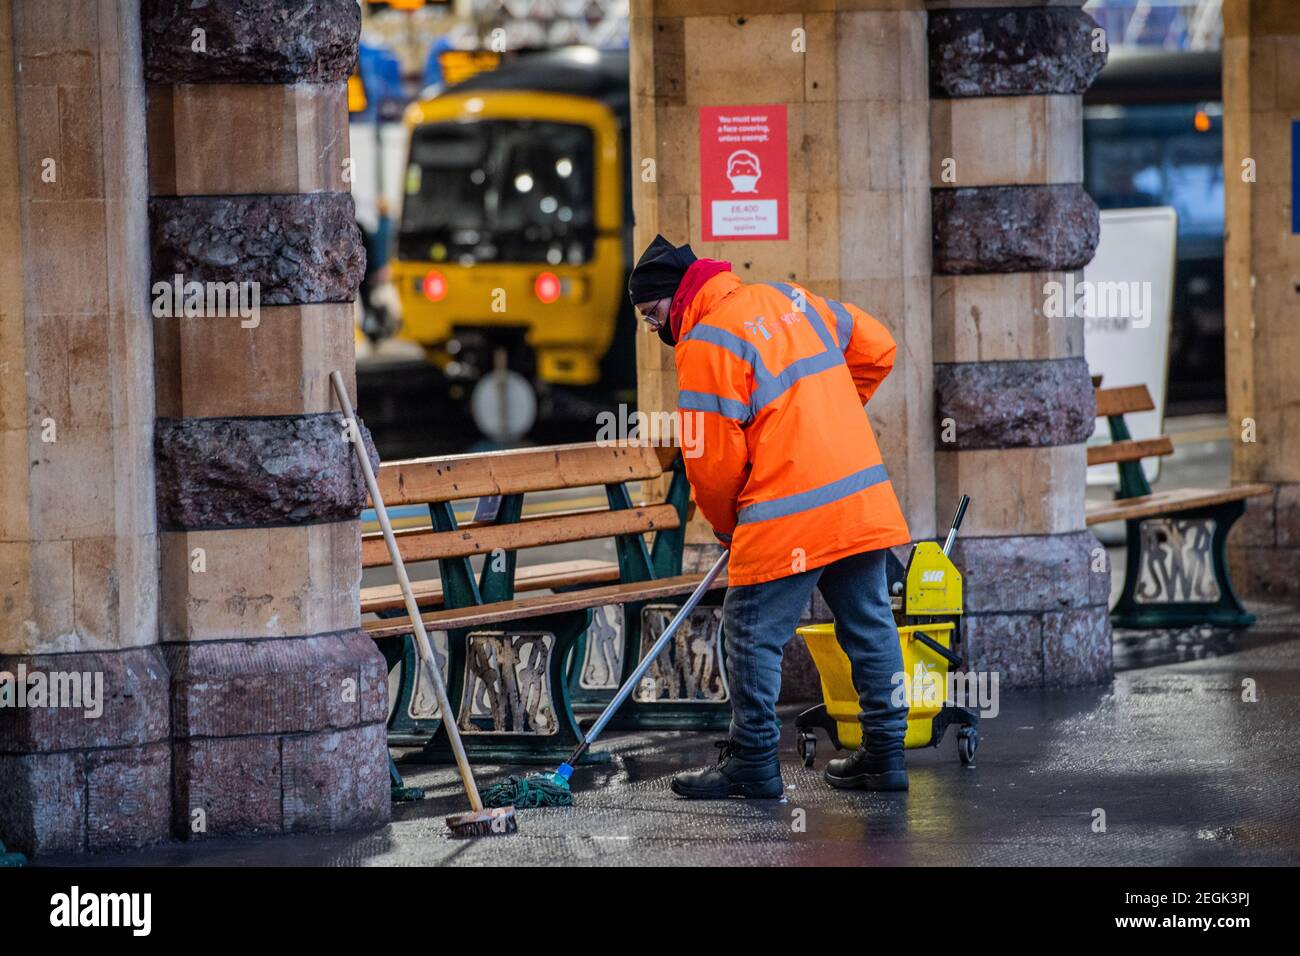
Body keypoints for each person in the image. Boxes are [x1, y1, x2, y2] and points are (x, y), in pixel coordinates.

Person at [628, 234, 912, 796]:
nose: (654, 329)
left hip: (788, 513)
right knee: (871, 624)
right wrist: (822, 417)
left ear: (674, 298)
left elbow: (710, 465)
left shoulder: (707, 342)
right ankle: (885, 755)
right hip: (857, 498)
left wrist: (730, 528)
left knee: (751, 630)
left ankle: (754, 762)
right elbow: (878, 348)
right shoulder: (789, 299)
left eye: (650, 314)